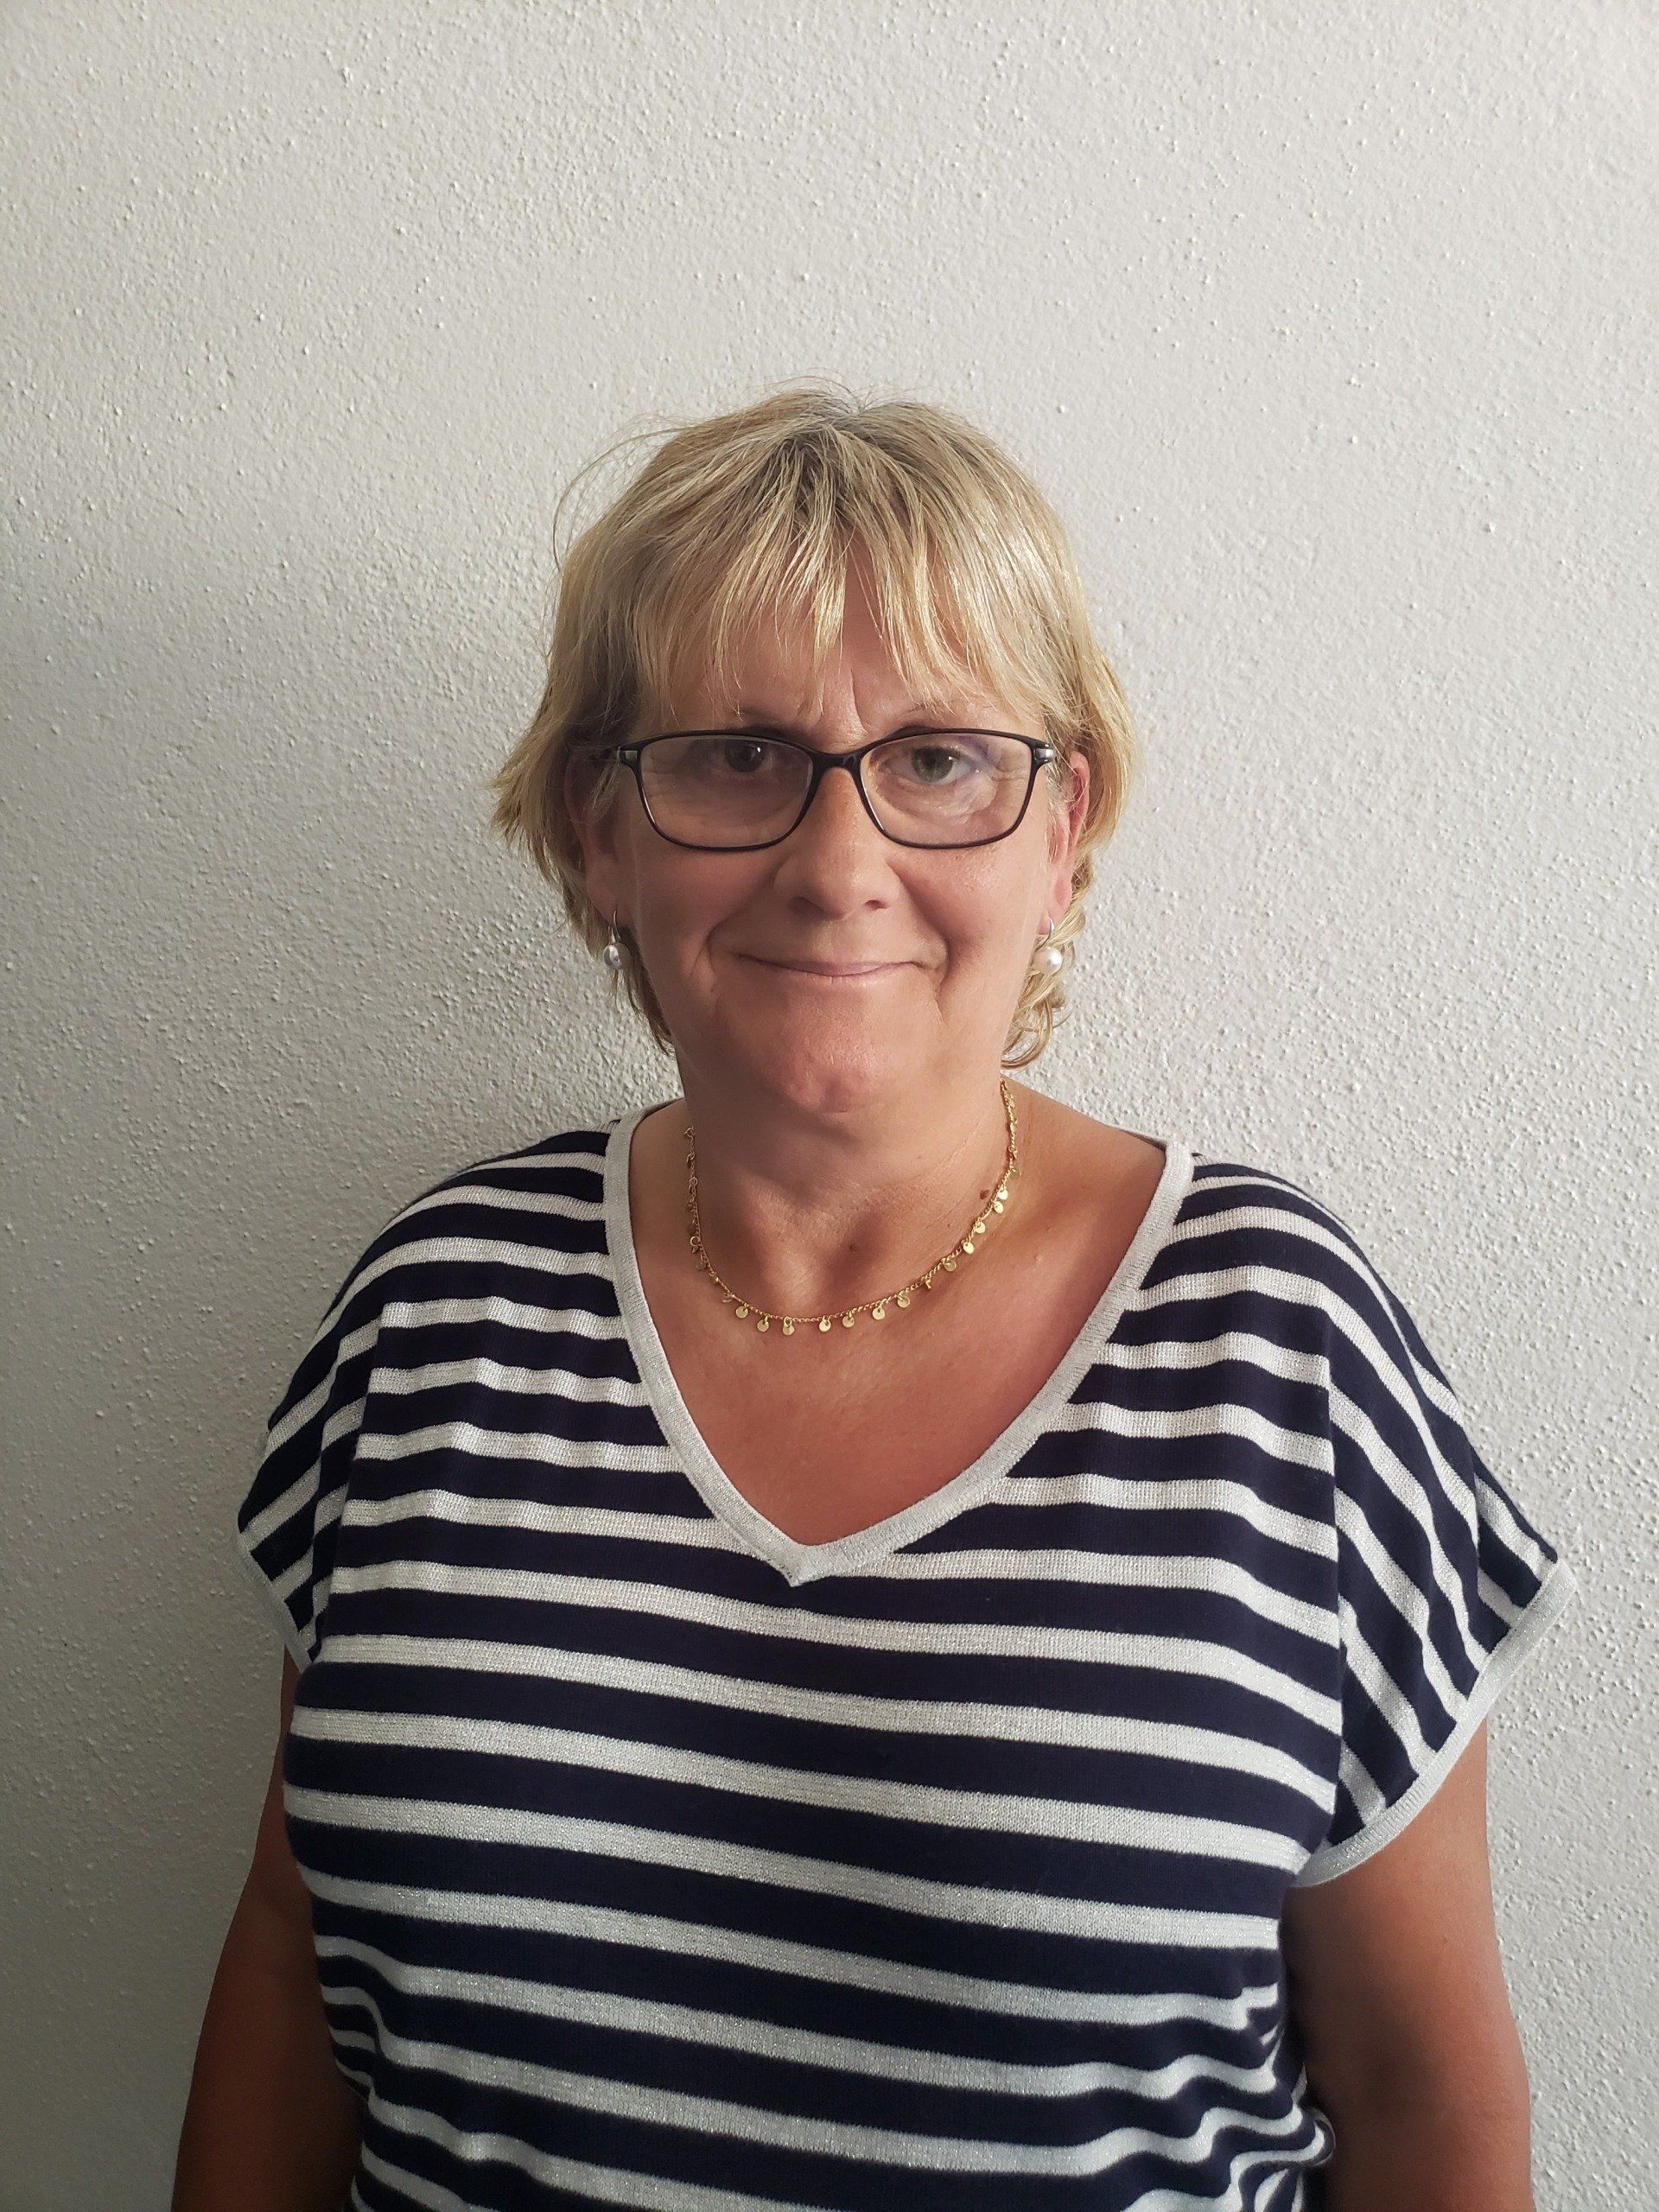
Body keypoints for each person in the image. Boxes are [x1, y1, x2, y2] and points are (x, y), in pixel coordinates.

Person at [179, 384, 1578, 2210]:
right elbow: (296, 1961)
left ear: (1061, 829)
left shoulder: (1277, 1346)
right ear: (602, 829)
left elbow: (1422, 2100)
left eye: (936, 759)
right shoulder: (435, 1307)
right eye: (736, 755)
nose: (840, 867)